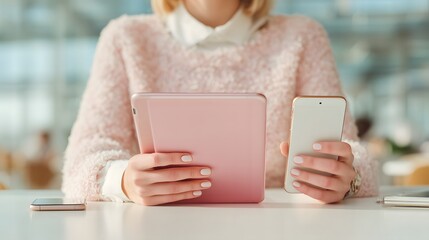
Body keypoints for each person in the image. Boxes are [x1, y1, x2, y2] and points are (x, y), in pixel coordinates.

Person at [62, 0, 378, 205]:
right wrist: (125, 181)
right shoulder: (124, 38)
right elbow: (82, 161)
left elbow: (353, 152)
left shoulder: (303, 37)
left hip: (280, 227)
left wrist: (348, 178)